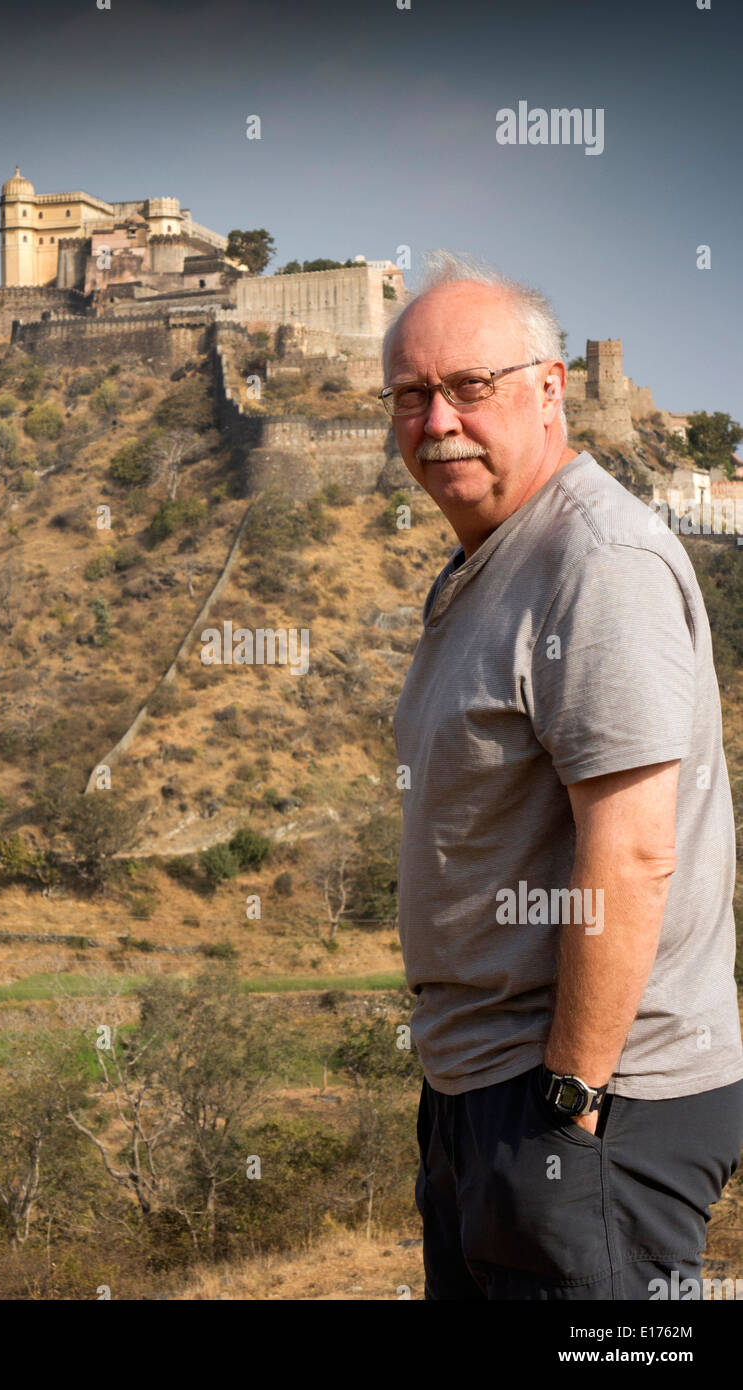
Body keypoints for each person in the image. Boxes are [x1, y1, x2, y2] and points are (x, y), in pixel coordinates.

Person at [385, 249, 743, 1300]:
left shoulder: (598, 561)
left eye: (469, 387)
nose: (438, 418)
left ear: (551, 390)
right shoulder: (492, 562)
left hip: (588, 1101)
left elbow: (631, 853)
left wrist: (572, 1095)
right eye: (413, 395)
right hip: (485, 1092)